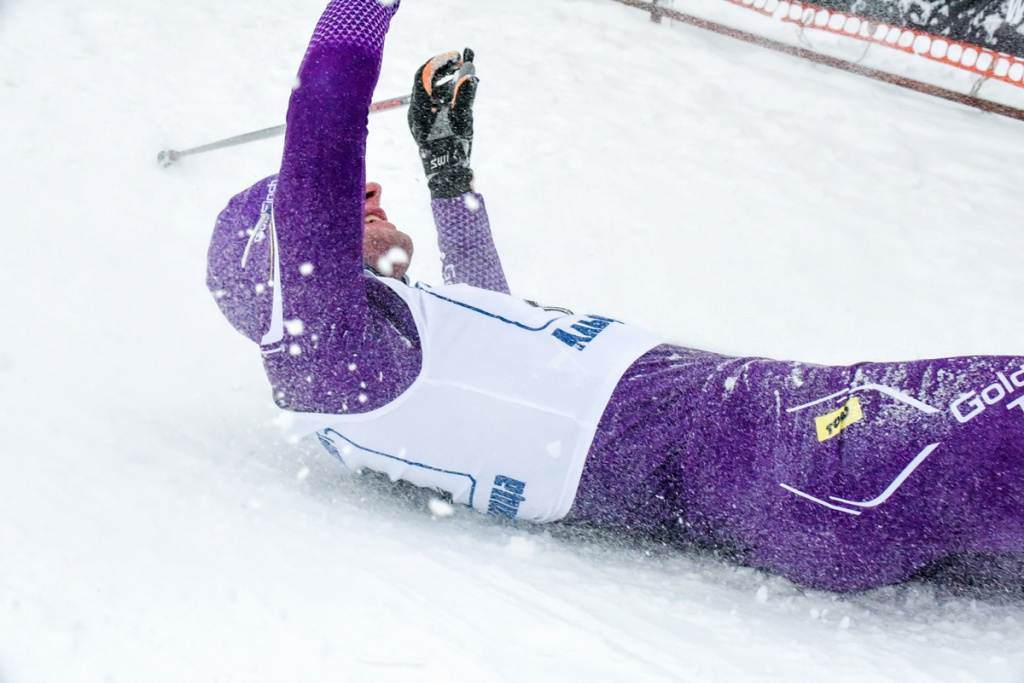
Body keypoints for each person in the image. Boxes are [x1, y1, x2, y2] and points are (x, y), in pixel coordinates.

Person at [207, 0, 1024, 594]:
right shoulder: (327, 359)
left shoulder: (380, 360)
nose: (366, 184)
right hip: (803, 453)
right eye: (325, 203)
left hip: (799, 466)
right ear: (283, 259)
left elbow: (502, 322)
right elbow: (324, 137)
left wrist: (451, 177)